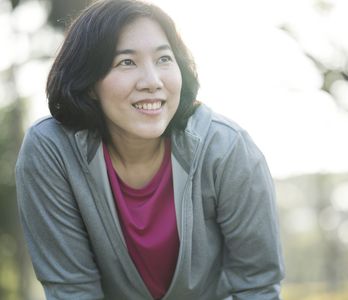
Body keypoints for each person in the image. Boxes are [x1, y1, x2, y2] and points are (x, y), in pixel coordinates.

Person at [15, 0, 284, 299]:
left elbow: (256, 285)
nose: (153, 82)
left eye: (164, 59)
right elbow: (71, 290)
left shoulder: (227, 149)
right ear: (89, 81)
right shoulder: (51, 151)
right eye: (126, 62)